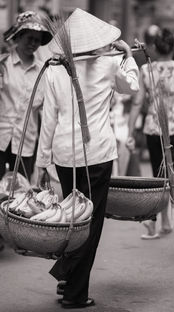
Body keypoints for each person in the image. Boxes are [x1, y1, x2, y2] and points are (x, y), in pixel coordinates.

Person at [36, 8, 139, 309]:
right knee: (89, 225)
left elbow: (49, 120)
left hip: (64, 156)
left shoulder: (55, 69)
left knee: (72, 219)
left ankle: (66, 277)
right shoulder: (108, 64)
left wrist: (43, 161)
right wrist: (127, 55)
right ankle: (74, 293)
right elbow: (131, 86)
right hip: (96, 155)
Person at [127, 28, 174, 239]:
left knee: (159, 178)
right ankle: (160, 221)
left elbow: (137, 102)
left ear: (156, 48)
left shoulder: (146, 69)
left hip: (153, 128)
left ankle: (161, 221)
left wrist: (131, 131)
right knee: (171, 176)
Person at [0, 11, 52, 182]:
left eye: (37, 40)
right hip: (1, 136)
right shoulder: (3, 65)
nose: (33, 43)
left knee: (20, 194)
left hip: (26, 142)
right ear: (19, 36)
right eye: (29, 38)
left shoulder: (43, 71)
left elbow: (46, 111)